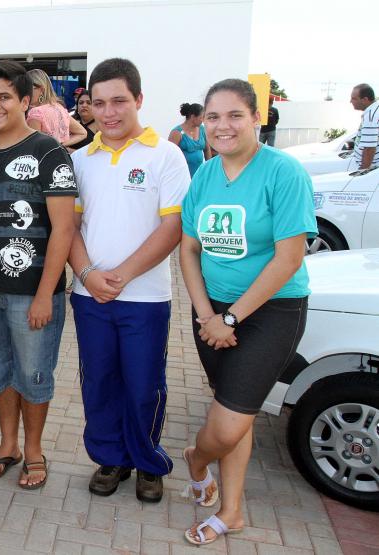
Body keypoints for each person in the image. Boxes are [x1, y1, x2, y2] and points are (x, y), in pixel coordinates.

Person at [180, 78, 315, 546]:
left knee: (229, 421)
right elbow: (189, 250)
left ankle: (197, 461)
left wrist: (231, 319)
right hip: (211, 313)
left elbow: (289, 258)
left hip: (271, 312)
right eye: (213, 116)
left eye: (235, 115)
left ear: (256, 117)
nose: (222, 125)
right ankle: (231, 511)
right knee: (233, 408)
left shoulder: (284, 172)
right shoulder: (205, 175)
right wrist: (205, 315)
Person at [68, 58, 190, 503]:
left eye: (119, 101)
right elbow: (69, 230)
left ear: (138, 99)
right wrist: (87, 275)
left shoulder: (167, 155)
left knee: (144, 384)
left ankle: (146, 460)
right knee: (98, 381)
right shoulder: (81, 160)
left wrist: (122, 276)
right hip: (89, 296)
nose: (109, 112)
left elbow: (172, 228)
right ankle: (110, 457)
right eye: (98, 103)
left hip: (145, 298)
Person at [0, 60, 76, 490]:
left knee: (34, 375)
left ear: (26, 101)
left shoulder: (51, 152)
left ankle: (34, 452)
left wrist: (43, 293)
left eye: (5, 98)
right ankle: (8, 444)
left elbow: (64, 229)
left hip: (33, 292)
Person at [25, 69, 87, 151]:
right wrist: (60, 145)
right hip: (59, 157)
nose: (26, 92)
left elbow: (32, 146)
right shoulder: (59, 108)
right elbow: (82, 133)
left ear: (42, 89)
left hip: (43, 159)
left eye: (29, 88)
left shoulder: (36, 112)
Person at [169, 102, 211, 177]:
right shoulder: (177, 133)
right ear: (193, 117)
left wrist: (209, 168)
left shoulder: (202, 129)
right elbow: (169, 156)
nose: (203, 120)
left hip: (199, 174)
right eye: (201, 117)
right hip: (182, 175)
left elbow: (207, 149)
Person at [350, 83, 379, 170]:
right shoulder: (374, 110)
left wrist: (362, 172)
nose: (350, 101)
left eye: (354, 98)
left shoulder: (371, 117)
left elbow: (369, 148)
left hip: (371, 169)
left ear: (365, 99)